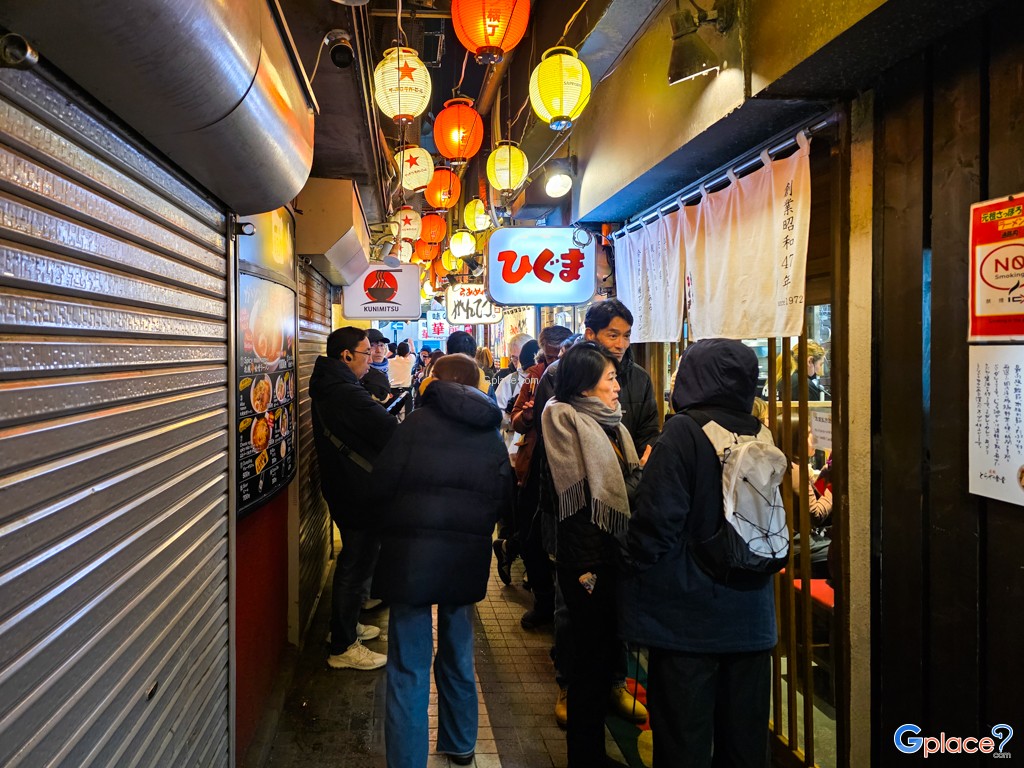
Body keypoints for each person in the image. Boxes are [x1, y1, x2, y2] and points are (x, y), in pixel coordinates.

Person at [621, 338, 777, 768]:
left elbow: (657, 522)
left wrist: (630, 564)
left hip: (688, 620)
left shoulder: (683, 432)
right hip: (751, 615)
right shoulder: (759, 432)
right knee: (744, 742)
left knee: (684, 740)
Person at [374, 353, 513, 768]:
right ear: (476, 385)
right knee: (457, 652)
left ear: (435, 382)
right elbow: (504, 500)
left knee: (408, 668)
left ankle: (406, 760)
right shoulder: (491, 434)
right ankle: (460, 744)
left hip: (410, 561)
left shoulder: (414, 425)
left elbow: (380, 486)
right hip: (463, 561)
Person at [530, 301, 657, 726]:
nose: (620, 343)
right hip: (574, 514)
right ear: (591, 332)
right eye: (612, 335)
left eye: (625, 335)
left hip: (619, 512)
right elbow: (557, 457)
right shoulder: (562, 378)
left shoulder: (635, 379)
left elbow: (647, 430)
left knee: (612, 609)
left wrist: (634, 466)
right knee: (574, 609)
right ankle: (571, 686)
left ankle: (614, 683)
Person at [542, 342, 646, 768]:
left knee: (602, 661)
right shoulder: (564, 422)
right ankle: (584, 757)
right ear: (585, 386)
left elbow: (623, 484)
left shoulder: (612, 426)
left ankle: (592, 751)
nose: (618, 387)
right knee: (588, 665)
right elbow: (579, 503)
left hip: (610, 557)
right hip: (586, 563)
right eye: (610, 378)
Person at [308, 327, 398, 670]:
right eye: (365, 353)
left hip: (345, 484)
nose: (370, 361)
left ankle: (344, 628)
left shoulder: (332, 384)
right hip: (355, 488)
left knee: (357, 558)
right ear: (346, 356)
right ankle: (343, 647)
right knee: (356, 561)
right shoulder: (345, 392)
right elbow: (388, 430)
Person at [509, 325, 574, 627]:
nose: (554, 355)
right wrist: (527, 415)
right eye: (550, 350)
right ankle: (544, 600)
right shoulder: (535, 376)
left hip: (568, 466)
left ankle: (561, 607)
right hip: (535, 462)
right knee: (531, 534)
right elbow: (517, 419)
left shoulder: (586, 375)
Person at [493, 338, 539, 585]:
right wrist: (515, 417)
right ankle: (510, 549)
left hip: (532, 452)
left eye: (517, 355)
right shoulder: (509, 381)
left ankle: (514, 552)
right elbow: (497, 413)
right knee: (513, 511)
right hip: (513, 452)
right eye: (512, 357)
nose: (515, 361)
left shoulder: (544, 377)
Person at [363, 328, 393, 404]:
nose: (378, 350)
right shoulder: (362, 373)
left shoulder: (385, 370)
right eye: (372, 346)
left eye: (381, 345)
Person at [388, 341, 415, 418]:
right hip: (406, 393)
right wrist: (411, 342)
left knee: (392, 418)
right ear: (408, 353)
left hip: (392, 393)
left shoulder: (389, 362)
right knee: (406, 419)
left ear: (397, 351)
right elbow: (413, 352)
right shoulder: (409, 361)